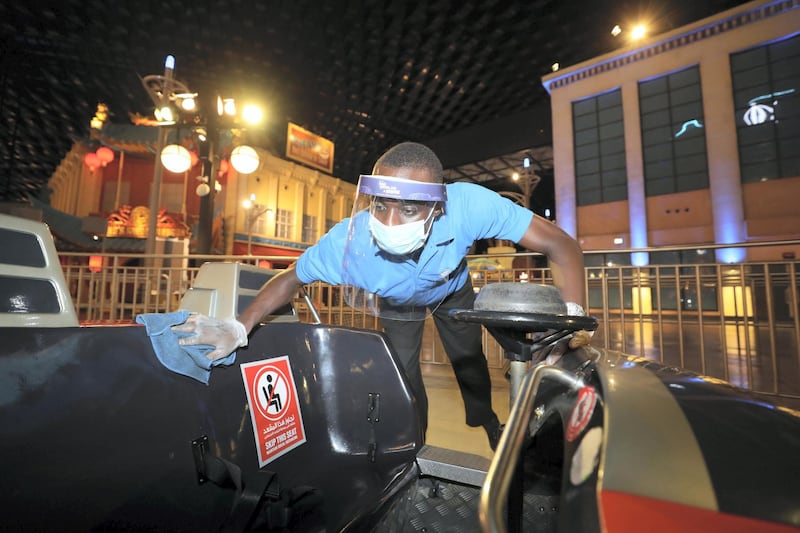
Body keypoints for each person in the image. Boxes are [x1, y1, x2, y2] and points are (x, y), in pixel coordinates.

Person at [176, 141, 588, 450]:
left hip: (451, 289)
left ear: (437, 207)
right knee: (403, 375)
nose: (391, 221)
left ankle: (486, 419)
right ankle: (416, 442)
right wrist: (239, 324)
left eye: (409, 209)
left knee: (468, 358)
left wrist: (570, 322)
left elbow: (563, 246)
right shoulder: (348, 241)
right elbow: (290, 279)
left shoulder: (469, 205)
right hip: (398, 303)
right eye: (383, 205)